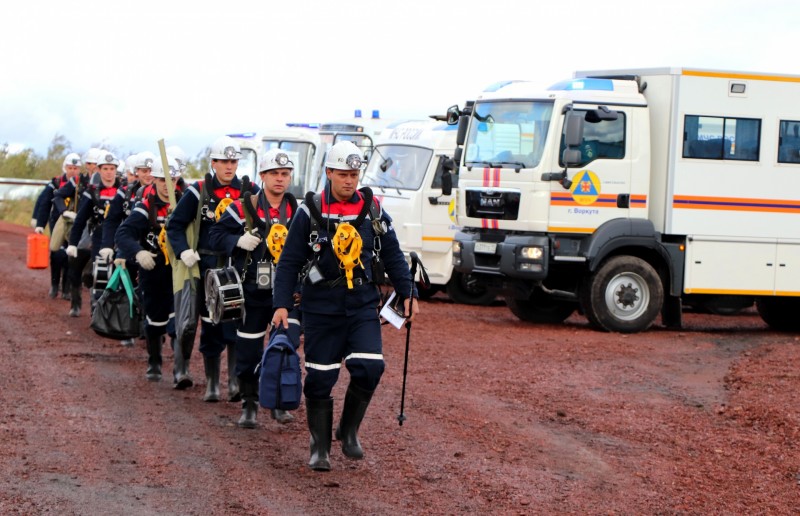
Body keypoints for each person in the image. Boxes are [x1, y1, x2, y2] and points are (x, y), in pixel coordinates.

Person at [271, 140, 420, 471]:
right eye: (343, 174)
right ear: (329, 173)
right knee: (320, 379)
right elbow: (289, 262)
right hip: (321, 307)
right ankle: (319, 446)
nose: (350, 181)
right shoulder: (308, 212)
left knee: (371, 367)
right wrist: (281, 304)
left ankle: (348, 431)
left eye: (354, 174)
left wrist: (408, 291)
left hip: (362, 303)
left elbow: (394, 254)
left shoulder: (373, 209)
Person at [209, 148, 298, 428]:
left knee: (286, 347)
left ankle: (279, 402)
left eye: (285, 174)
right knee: (247, 351)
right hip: (252, 292)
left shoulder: (298, 210)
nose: (280, 179)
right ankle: (249, 403)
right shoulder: (242, 207)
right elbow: (214, 235)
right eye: (274, 174)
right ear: (263, 175)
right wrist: (237, 241)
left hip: (287, 293)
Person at [166, 136, 258, 402]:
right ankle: (213, 383)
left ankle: (234, 383)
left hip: (238, 266)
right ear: (214, 162)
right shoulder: (198, 190)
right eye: (224, 161)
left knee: (235, 322)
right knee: (211, 324)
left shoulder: (249, 190)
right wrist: (183, 250)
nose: (229, 167)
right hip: (205, 266)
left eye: (233, 161)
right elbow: (175, 225)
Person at [115, 156, 182, 382]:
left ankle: (180, 369)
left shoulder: (185, 204)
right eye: (163, 179)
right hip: (152, 272)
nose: (167, 184)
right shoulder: (145, 206)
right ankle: (154, 361)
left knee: (179, 321)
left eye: (171, 179)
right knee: (155, 322)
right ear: (154, 179)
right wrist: (138, 252)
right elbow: (123, 234)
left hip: (179, 273)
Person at [64, 152, 122, 316]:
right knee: (100, 271)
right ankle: (95, 306)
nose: (109, 172)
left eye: (112, 168)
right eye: (106, 168)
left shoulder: (124, 190)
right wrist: (73, 243)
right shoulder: (92, 192)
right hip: (99, 234)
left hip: (121, 235)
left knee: (119, 272)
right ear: (99, 170)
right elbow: (81, 219)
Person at [33, 153, 82, 299]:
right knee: (56, 254)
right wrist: (40, 224)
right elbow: (44, 203)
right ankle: (54, 284)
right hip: (57, 221)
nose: (73, 170)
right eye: (70, 167)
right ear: (65, 167)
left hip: (73, 223)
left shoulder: (81, 184)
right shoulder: (55, 183)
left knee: (69, 254)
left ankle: (66, 287)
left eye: (76, 168)